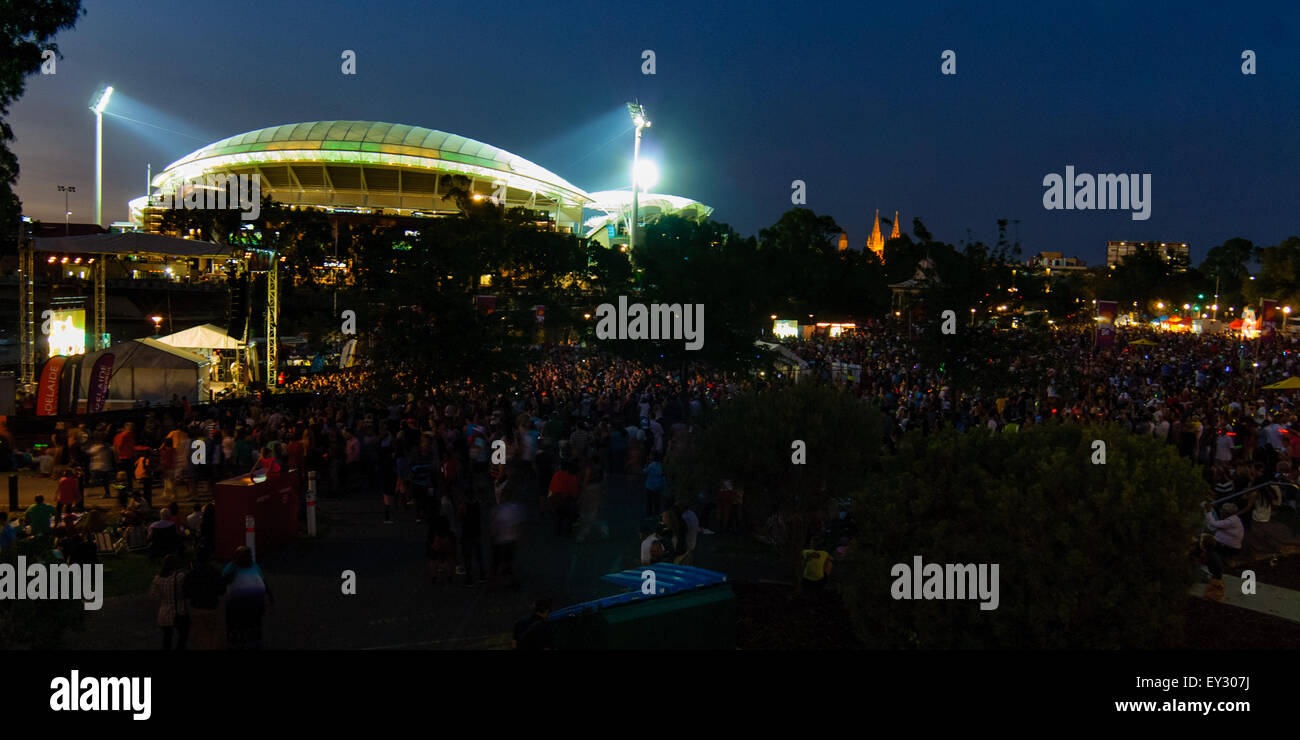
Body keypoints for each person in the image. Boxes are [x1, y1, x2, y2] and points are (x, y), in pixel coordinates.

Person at [223, 546, 272, 649]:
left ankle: (235, 638)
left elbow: (223, 581)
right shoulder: (254, 566)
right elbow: (264, 581)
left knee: (235, 620)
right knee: (255, 621)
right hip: (256, 602)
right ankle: (255, 639)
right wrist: (270, 595)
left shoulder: (232, 566)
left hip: (237, 604)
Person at [184, 550, 226, 650]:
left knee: (201, 637)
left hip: (196, 607)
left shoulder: (191, 574)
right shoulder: (215, 572)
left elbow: (186, 592)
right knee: (214, 636)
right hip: (212, 607)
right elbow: (222, 590)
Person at [149, 555, 190, 650]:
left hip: (164, 612)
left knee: (167, 638)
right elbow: (185, 592)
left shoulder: (157, 578)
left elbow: (153, 595)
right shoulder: (180, 577)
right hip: (179, 611)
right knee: (183, 635)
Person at [643, 453, 665, 518]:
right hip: (658, 486)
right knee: (657, 501)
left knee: (649, 501)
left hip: (649, 486)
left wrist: (646, 465)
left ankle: (649, 515)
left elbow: (645, 471)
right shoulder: (661, 466)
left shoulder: (651, 465)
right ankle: (657, 514)